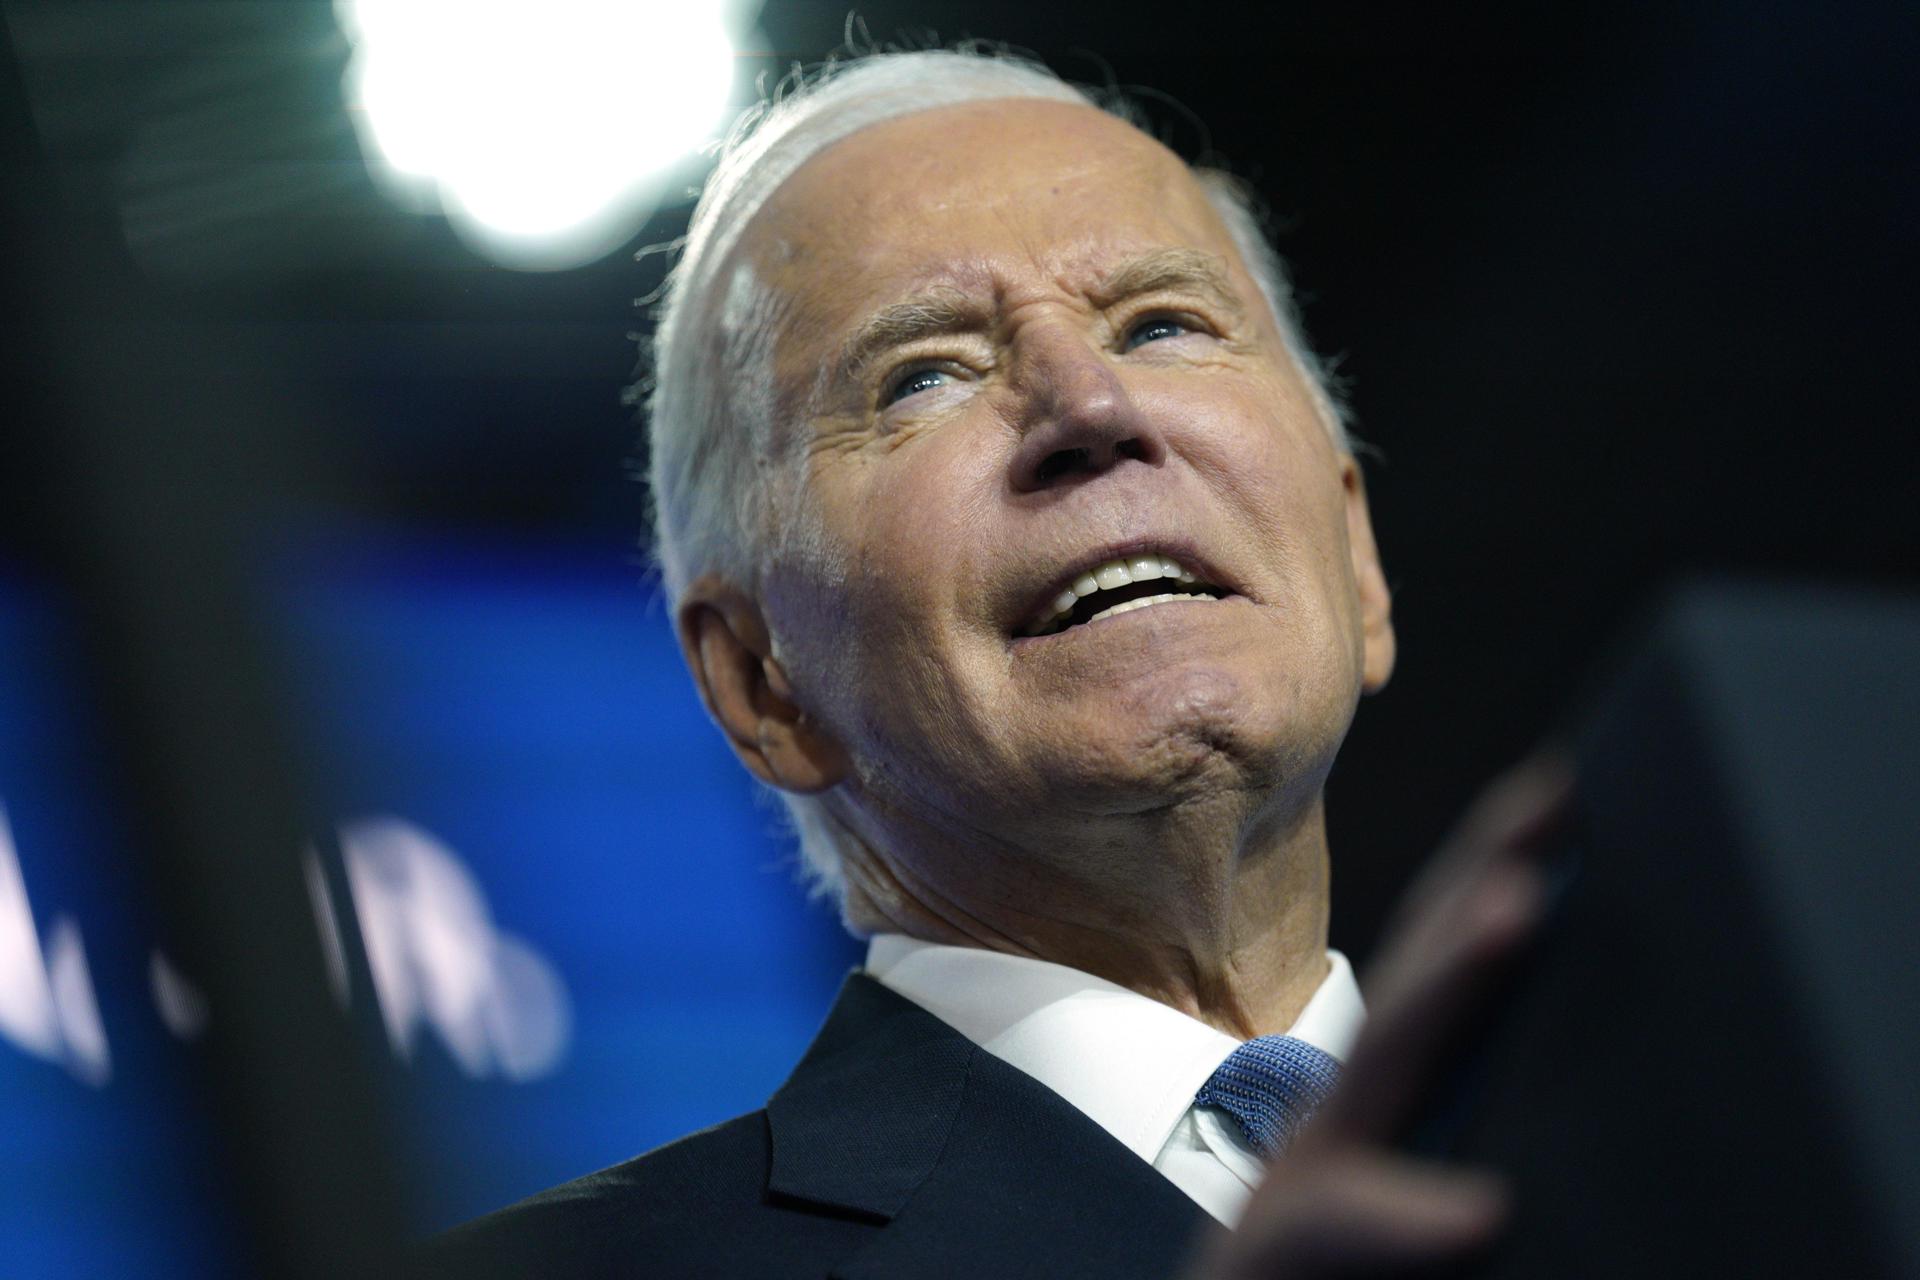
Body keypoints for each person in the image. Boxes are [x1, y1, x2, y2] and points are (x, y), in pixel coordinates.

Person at [430, 47, 1571, 1279]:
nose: (1088, 405)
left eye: (1163, 324)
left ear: (1354, 551)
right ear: (762, 677)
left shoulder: (1738, 1123)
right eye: (924, 374)